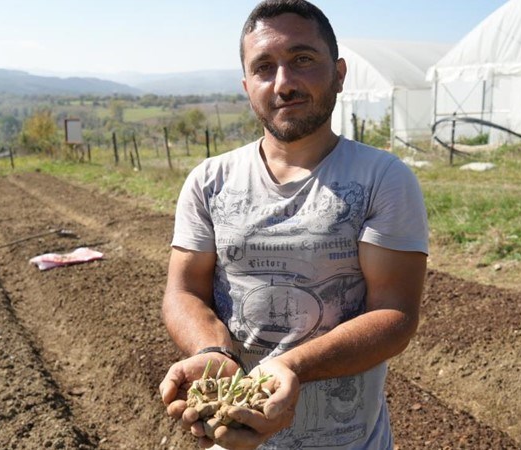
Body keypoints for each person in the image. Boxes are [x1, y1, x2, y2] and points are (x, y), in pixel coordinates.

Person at [158, 0, 429, 448]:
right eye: (264, 67)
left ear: (339, 74)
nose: (284, 83)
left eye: (302, 60)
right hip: (232, 432)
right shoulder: (209, 181)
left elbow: (395, 313)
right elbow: (184, 291)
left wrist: (290, 366)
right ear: (247, 86)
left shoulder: (382, 178)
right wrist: (213, 353)